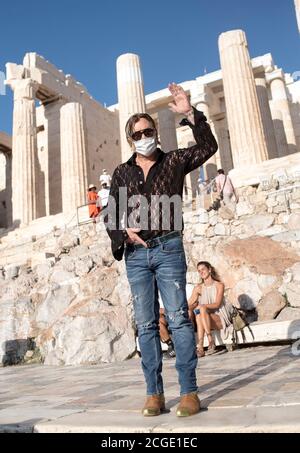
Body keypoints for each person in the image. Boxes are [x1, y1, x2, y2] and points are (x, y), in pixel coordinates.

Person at [105, 82, 218, 417]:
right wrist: (123, 232)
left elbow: (208, 146)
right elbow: (111, 213)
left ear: (155, 132)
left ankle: (189, 392)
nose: (144, 136)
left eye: (148, 131)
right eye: (138, 133)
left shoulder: (174, 161)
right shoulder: (122, 172)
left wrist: (190, 113)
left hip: (168, 248)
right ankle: (154, 393)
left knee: (181, 320)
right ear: (131, 139)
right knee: (147, 324)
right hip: (137, 256)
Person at [188, 261, 231, 358]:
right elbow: (188, 303)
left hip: (220, 317)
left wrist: (203, 306)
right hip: (205, 318)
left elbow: (217, 304)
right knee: (199, 313)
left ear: (210, 269)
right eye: (199, 271)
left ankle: (205, 343)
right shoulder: (198, 288)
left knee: (201, 309)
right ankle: (204, 346)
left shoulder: (219, 285)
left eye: (203, 269)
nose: (201, 272)